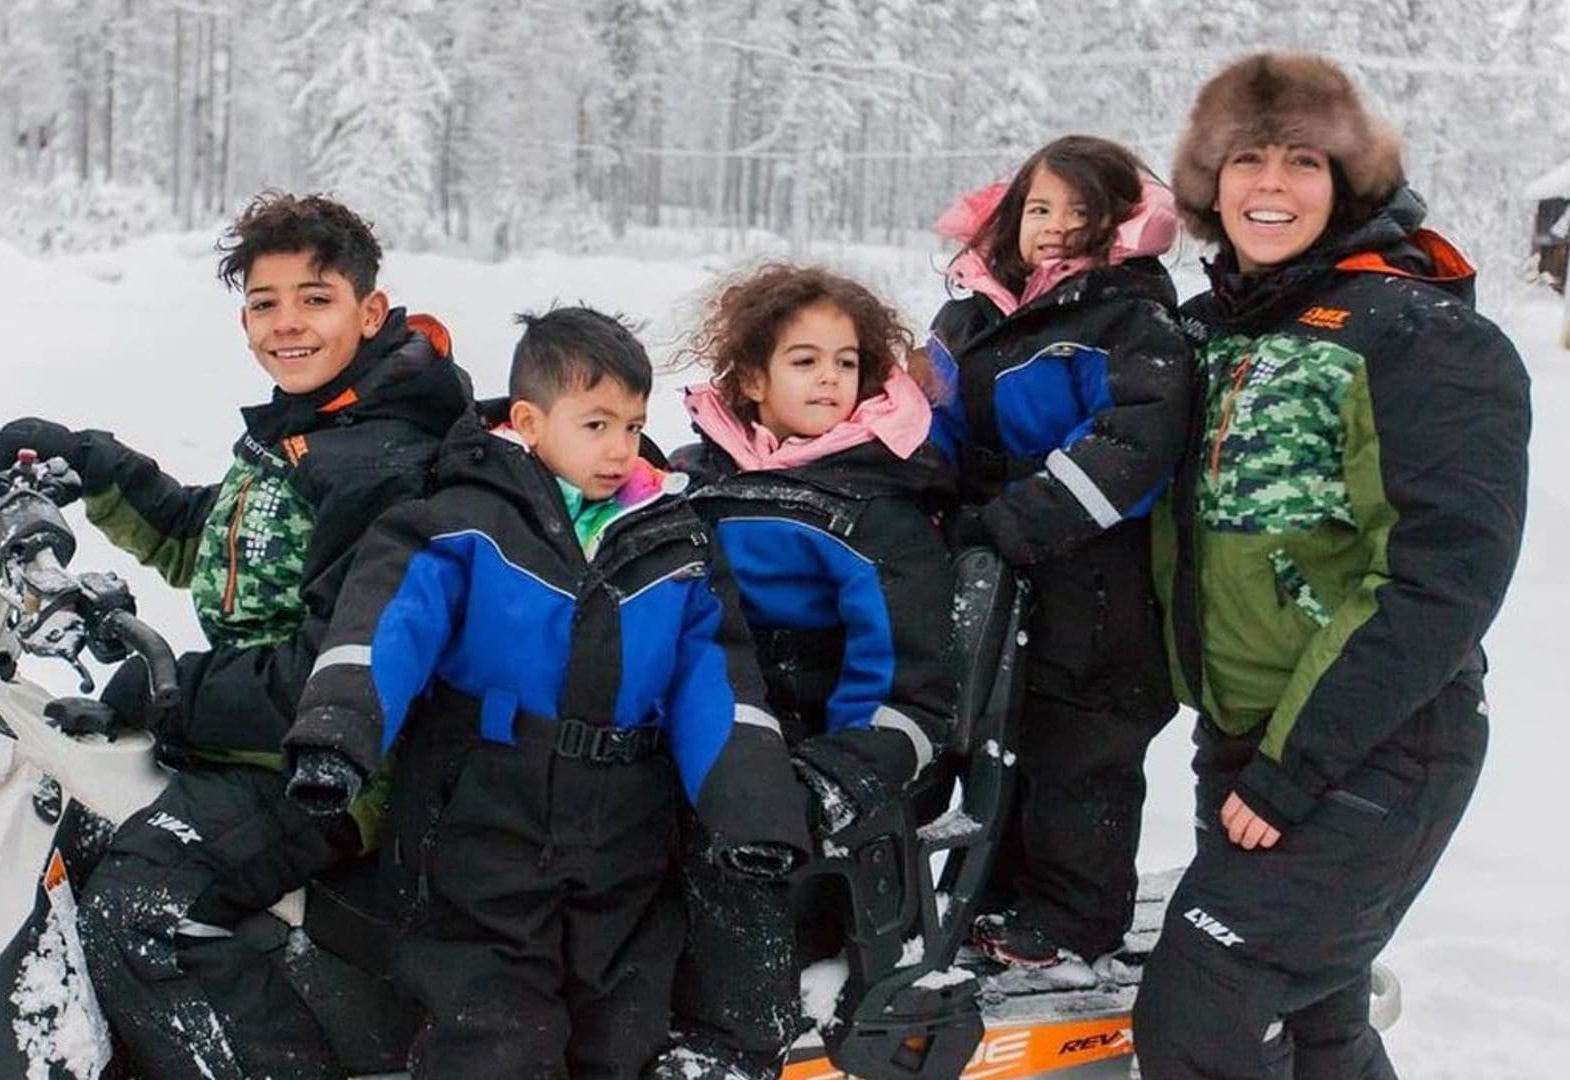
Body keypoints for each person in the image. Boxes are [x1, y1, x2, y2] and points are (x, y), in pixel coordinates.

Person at [0, 191, 472, 1077]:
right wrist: (93, 464)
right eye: (264, 302)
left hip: (331, 771)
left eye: (314, 300)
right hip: (254, 744)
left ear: (369, 311)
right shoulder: (323, 425)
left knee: (139, 910)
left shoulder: (382, 462)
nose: (287, 324)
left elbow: (329, 671)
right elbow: (220, 542)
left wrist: (165, 693)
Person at [281, 306, 812, 1079]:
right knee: (496, 1034)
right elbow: (386, 630)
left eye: (632, 426)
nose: (620, 449)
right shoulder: (458, 522)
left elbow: (717, 683)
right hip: (485, 819)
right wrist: (339, 731)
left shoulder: (670, 540)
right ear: (529, 421)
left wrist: (753, 806)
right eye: (595, 424)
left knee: (622, 1032)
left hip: (624, 832)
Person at [1133, 52, 1529, 1078]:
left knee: (1208, 997)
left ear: (1346, 180)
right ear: (1209, 184)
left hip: (1375, 748)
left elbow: (1443, 579)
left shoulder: (1419, 331)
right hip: (1245, 740)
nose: (1271, 185)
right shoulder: (1211, 329)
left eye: (1303, 160)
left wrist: (1290, 770)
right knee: (1311, 1023)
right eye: (1246, 159)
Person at [649, 263, 960, 1079]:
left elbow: (909, 686)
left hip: (839, 754)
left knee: (734, 820)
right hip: (713, 723)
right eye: (804, 359)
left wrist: (838, 773)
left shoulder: (873, 509)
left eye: (846, 361)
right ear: (751, 378)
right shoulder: (700, 482)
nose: (830, 377)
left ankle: (738, 1040)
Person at [924, 135, 1192, 968]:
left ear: (1118, 225)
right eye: (1041, 208)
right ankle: (992, 897)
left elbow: (1131, 449)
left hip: (1095, 577)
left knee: (1082, 756)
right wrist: (917, 500)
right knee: (994, 738)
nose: (1056, 227)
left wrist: (1008, 519)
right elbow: (928, 419)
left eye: (1081, 213)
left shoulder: (1131, 317)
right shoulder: (970, 313)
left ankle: (1075, 920)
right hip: (993, 566)